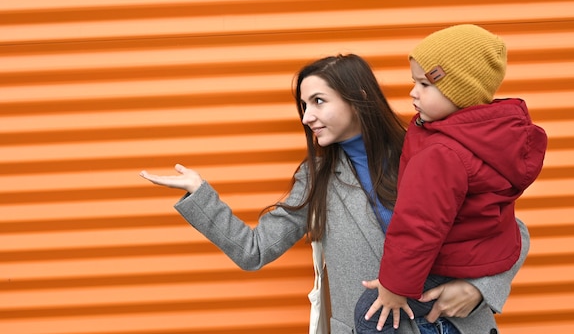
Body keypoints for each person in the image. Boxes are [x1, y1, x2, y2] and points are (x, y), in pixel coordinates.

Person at [140, 53, 531, 334]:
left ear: (357, 98)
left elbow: (510, 232)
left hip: (456, 326)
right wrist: (200, 195)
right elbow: (254, 251)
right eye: (303, 105)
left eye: (318, 102)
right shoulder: (316, 178)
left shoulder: (429, 152)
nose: (306, 116)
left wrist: (479, 291)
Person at [355, 25, 547, 333]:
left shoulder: (442, 152)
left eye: (424, 84)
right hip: (482, 258)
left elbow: (418, 225)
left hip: (450, 265)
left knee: (371, 312)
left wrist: (395, 286)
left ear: (461, 92)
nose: (412, 92)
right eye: (413, 81)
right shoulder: (489, 138)